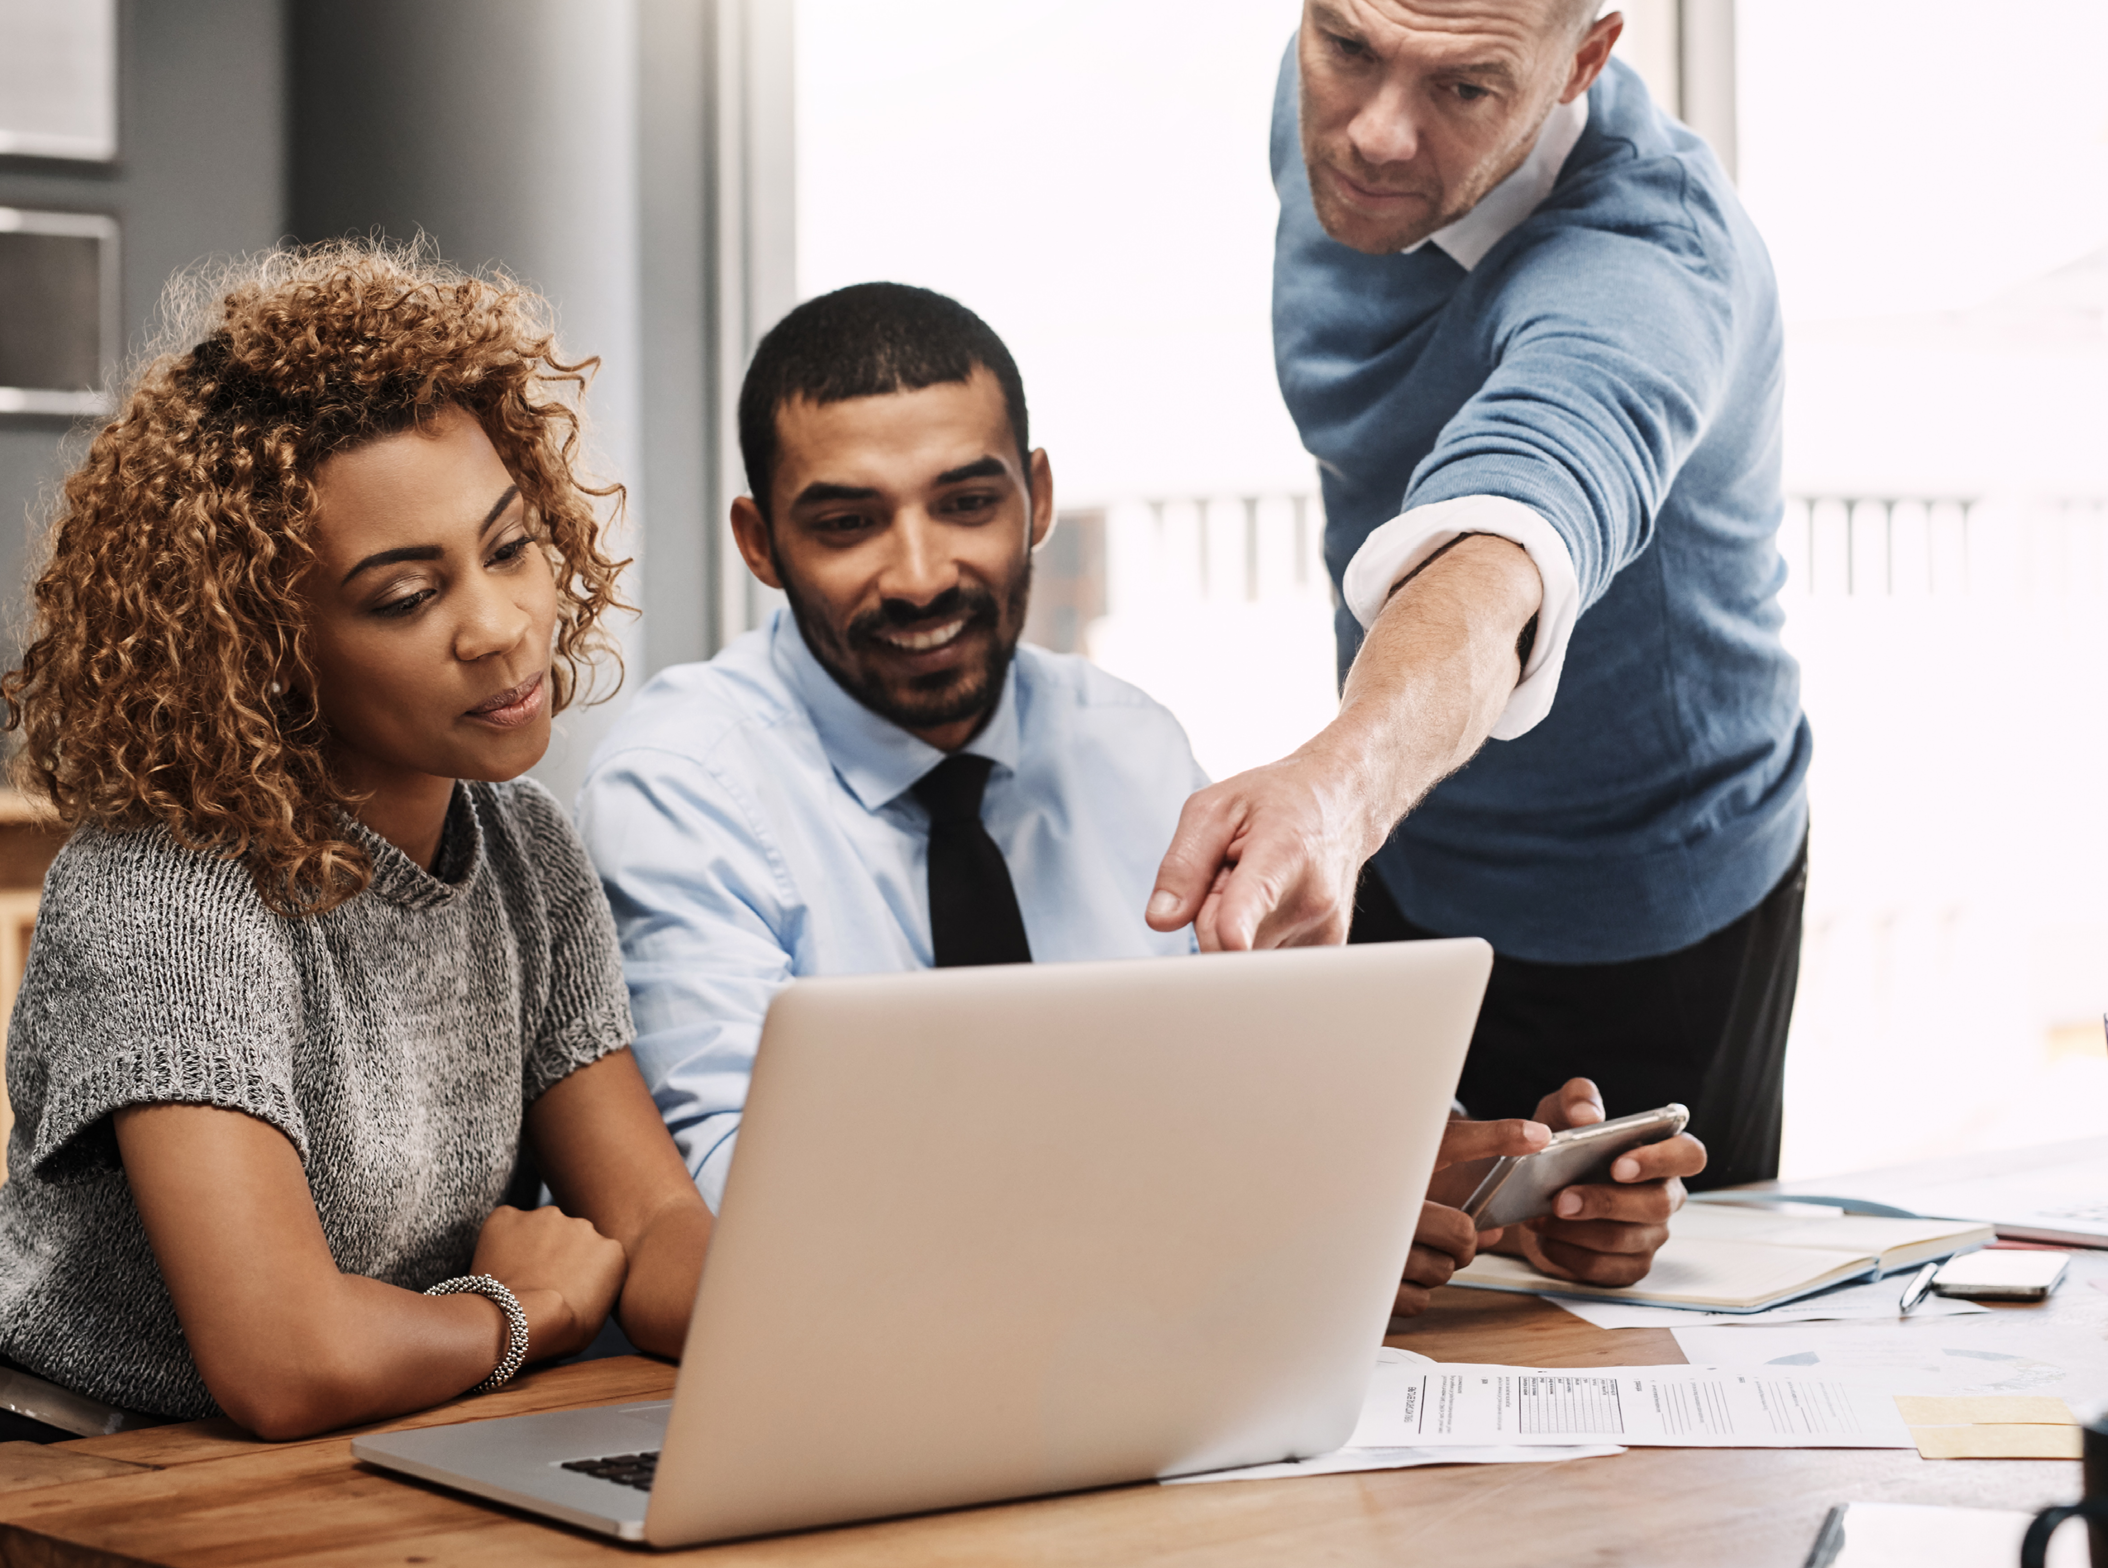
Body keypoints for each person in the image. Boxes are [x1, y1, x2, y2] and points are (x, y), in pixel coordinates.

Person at [576, 282, 1703, 1320]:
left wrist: (1491, 1193)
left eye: (966, 502)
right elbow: (728, 1197)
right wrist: (1255, 1223)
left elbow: (1254, 1095)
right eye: (844, 522)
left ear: (1039, 499)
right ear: (758, 543)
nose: (917, 574)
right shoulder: (679, 781)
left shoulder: (1121, 739)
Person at [1146, 0, 1812, 1189]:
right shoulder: (1345, 79)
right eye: (1348, 42)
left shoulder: (1646, 270)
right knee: (1374, 1297)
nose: (1381, 132)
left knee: (1633, 1341)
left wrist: (1337, 784)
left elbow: (1503, 541)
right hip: (1405, 831)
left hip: (1652, 896)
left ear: (1583, 58)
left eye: (1465, 87)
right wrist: (1356, 803)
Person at [0, 241, 713, 1447]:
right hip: (82, 1467)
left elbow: (652, 1228)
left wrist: (847, 1307)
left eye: (509, 548)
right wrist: (526, 1308)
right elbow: (285, 1361)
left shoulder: (525, 851)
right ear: (262, 645)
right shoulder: (172, 888)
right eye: (406, 597)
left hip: (364, 1439)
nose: (501, 628)